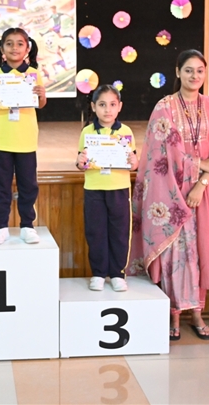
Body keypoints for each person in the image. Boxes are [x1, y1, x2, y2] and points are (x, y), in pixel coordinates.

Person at [129, 49, 209, 341]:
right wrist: (199, 164)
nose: (194, 76)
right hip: (171, 189)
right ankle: (173, 313)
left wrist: (202, 182)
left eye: (199, 70)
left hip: (205, 191)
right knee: (176, 250)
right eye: (188, 70)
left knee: (201, 249)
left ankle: (197, 313)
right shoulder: (165, 106)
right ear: (177, 72)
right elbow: (161, 152)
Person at [0, 27, 47, 245]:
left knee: (28, 185)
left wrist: (42, 95)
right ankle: (1, 226)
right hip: (1, 139)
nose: (14, 48)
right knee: (0, 185)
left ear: (27, 48)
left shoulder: (33, 74)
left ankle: (27, 225)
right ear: (2, 48)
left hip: (26, 140)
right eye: (9, 44)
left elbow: (40, 104)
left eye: (20, 44)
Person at [76, 85, 138, 292]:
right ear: (94, 107)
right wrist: (80, 162)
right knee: (96, 231)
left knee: (120, 232)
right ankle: (99, 273)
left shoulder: (126, 132)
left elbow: (133, 162)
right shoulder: (87, 132)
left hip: (119, 189)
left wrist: (134, 162)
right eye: (102, 105)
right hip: (94, 189)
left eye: (112, 104)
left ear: (120, 106)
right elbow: (81, 161)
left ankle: (118, 273)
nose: (107, 110)